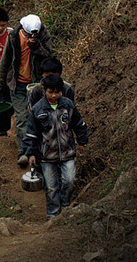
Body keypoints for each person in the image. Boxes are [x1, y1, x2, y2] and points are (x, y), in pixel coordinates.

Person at [25, 74, 89, 220]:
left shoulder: (68, 105)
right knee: (51, 187)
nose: (54, 95)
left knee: (70, 180)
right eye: (50, 92)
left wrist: (82, 142)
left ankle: (65, 207)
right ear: (44, 91)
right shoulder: (37, 109)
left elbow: (79, 125)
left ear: (61, 91)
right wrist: (31, 154)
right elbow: (31, 134)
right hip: (46, 156)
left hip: (67, 152)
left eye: (57, 92)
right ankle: (53, 215)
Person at [0, 14, 54, 166]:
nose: (32, 36)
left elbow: (50, 58)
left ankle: (39, 151)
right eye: (29, 34)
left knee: (39, 118)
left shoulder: (43, 35)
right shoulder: (14, 37)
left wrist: (37, 47)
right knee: (22, 119)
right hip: (18, 84)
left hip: (37, 85)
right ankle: (23, 152)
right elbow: (5, 60)